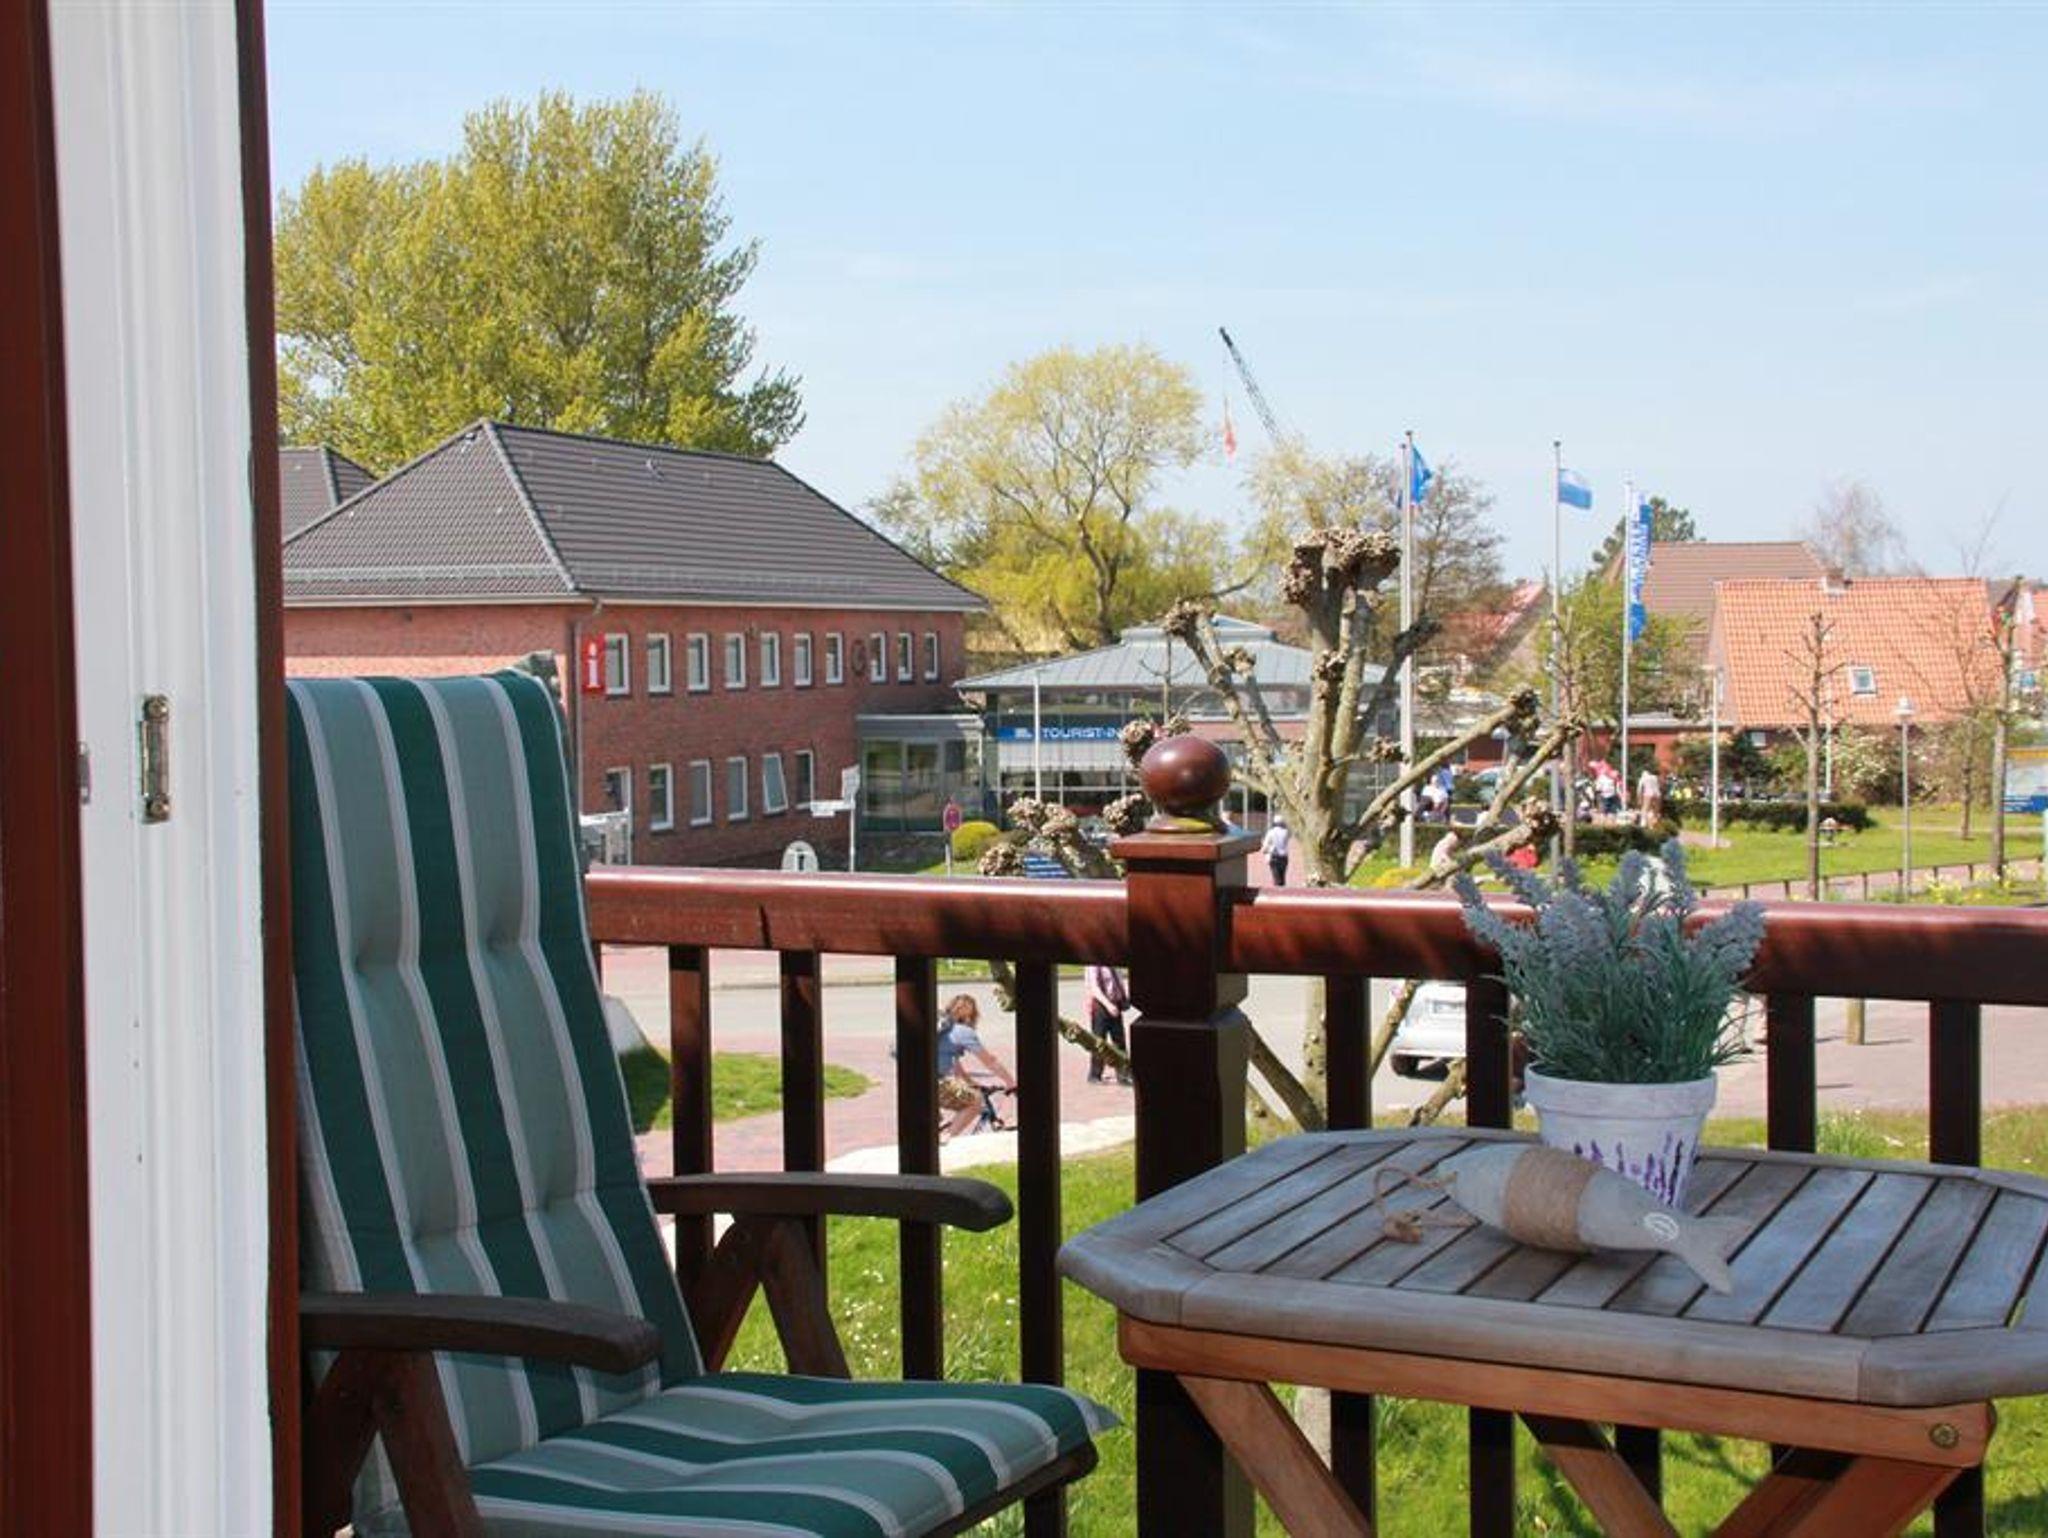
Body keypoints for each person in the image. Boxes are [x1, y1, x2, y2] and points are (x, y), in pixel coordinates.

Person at [936, 995, 1016, 1140]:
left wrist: (971, 1083)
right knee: (975, 1102)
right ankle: (945, 1141)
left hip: (917, 1083)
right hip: (938, 1084)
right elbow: (990, 1061)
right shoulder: (963, 1032)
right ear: (971, 1015)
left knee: (964, 1098)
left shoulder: (942, 1031)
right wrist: (1011, 1082)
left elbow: (956, 1067)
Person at [1084, 962, 1131, 1085]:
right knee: (1099, 1042)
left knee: (1119, 1041)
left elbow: (1118, 982)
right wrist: (1108, 1005)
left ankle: (1123, 1074)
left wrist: (1123, 999)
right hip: (1101, 1006)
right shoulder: (1093, 965)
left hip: (1115, 1004)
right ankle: (1094, 1075)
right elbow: (1094, 988)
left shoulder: (1113, 963)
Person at [1260, 816, 1291, 886]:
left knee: (1276, 878)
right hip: (1284, 857)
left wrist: (1265, 850)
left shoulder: (1271, 832)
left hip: (1274, 856)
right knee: (1282, 878)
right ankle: (1283, 890)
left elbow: (1265, 845)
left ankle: (1278, 890)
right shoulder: (1286, 832)